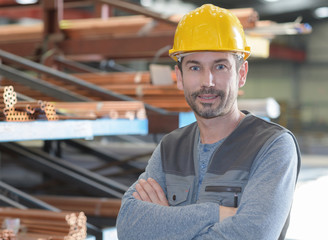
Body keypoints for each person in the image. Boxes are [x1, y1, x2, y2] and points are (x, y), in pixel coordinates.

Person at [116, 4, 301, 240]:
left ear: (241, 73)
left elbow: (254, 234)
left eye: (220, 66)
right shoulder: (170, 147)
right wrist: (216, 213)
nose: (208, 81)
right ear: (180, 77)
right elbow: (129, 226)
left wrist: (167, 223)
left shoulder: (272, 146)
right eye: (195, 67)